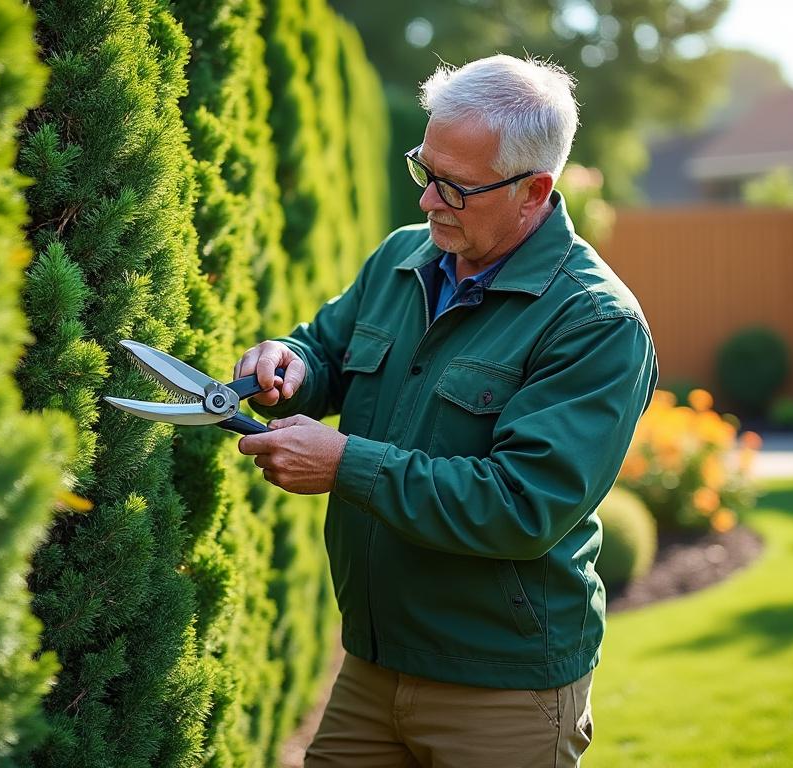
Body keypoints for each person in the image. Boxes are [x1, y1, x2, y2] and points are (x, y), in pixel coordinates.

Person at [234, 54, 657, 767]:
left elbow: (521, 505)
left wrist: (345, 464)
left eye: (455, 188)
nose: (428, 201)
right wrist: (289, 362)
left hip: (501, 691)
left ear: (536, 191)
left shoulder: (595, 322)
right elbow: (328, 351)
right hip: (371, 664)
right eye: (422, 170)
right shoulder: (403, 258)